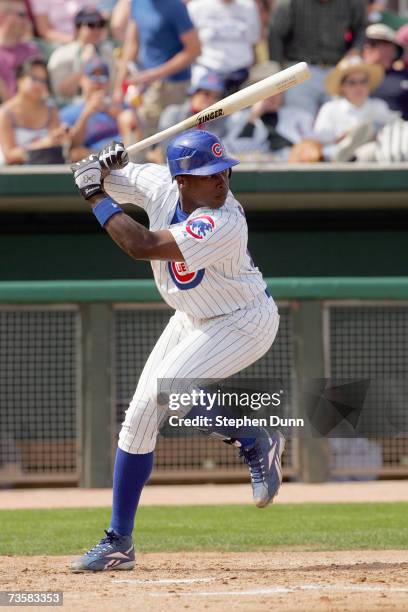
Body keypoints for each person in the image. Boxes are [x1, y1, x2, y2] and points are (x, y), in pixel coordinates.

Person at [69, 130, 285, 571]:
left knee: (169, 392)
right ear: (182, 180)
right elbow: (94, 175)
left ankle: (254, 437)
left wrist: (95, 193)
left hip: (241, 319)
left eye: (224, 170)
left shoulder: (225, 220)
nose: (222, 179)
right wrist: (103, 166)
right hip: (191, 316)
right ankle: (119, 542)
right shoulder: (158, 183)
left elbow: (140, 246)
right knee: (138, 421)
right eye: (209, 174)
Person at [268, 0, 367, 116]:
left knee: (338, 120)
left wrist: (356, 49)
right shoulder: (290, 2)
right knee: (298, 120)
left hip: (336, 69)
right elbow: (276, 34)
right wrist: (278, 74)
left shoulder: (352, 3)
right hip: (300, 69)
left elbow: (361, 27)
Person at [115, 0, 201, 132]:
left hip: (175, 87)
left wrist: (154, 74)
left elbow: (194, 50)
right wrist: (119, 85)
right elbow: (132, 43)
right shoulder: (137, 3)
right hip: (147, 85)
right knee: (134, 127)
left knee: (169, 138)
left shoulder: (176, 7)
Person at [224, 62, 314, 161]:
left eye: (277, 90)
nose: (272, 95)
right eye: (267, 91)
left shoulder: (299, 116)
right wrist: (252, 117)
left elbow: (312, 149)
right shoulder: (238, 117)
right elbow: (235, 149)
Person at [314, 56, 397, 162]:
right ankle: (348, 150)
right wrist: (345, 136)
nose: (358, 87)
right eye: (352, 82)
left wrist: (376, 136)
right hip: (335, 157)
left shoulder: (378, 106)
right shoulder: (330, 108)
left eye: (363, 81)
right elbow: (321, 140)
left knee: (371, 150)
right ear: (342, 86)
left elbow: (393, 129)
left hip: (368, 157)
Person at [60, 58, 142, 159]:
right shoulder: (70, 112)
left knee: (128, 116)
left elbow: (139, 131)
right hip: (93, 159)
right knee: (76, 153)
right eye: (93, 76)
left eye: (103, 77)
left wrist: (113, 111)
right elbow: (71, 146)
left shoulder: (121, 107)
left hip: (124, 153)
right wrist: (86, 113)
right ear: (82, 80)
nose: (98, 82)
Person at [0, 58, 69, 164]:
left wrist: (60, 137)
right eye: (34, 78)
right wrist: (42, 145)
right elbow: (9, 155)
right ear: (19, 79)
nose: (39, 84)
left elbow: (55, 147)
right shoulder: (5, 113)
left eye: (43, 81)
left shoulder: (51, 110)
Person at [148, 72, 227, 163]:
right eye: (206, 94)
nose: (211, 100)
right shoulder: (173, 112)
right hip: (174, 167)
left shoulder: (218, 120)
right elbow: (168, 147)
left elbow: (220, 148)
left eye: (216, 96)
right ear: (194, 93)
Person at [187, 0, 261, 95]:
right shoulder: (196, 7)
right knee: (209, 109)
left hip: (240, 73)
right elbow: (189, 43)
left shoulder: (248, 6)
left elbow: (255, 37)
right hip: (208, 73)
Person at [47, 8, 115, 105]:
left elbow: (113, 87)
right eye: (91, 25)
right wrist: (83, 66)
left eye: (101, 24)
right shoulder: (62, 54)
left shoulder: (107, 51)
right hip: (72, 106)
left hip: (105, 104)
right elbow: (60, 93)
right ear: (78, 28)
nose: (96, 29)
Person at [363, 23, 408, 120]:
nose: (367, 47)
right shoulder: (352, 77)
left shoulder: (404, 77)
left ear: (393, 49)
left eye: (374, 43)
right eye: (365, 42)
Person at [0, 0, 41, 102]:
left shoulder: (32, 49)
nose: (26, 20)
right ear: (2, 17)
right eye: (21, 15)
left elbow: (42, 89)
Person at [29, 0, 94, 45]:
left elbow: (93, 17)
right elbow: (44, 31)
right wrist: (75, 41)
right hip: (57, 45)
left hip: (87, 41)